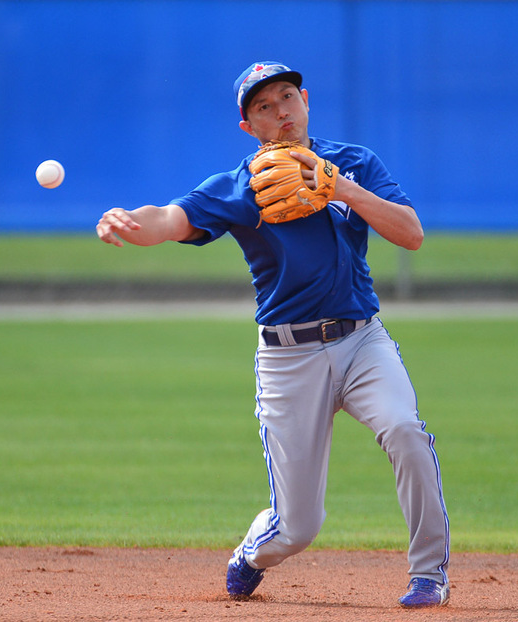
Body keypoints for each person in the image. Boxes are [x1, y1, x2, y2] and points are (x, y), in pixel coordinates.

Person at [96, 61, 450, 608]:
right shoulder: (240, 188)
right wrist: (129, 221)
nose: (280, 110)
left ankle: (429, 575)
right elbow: (170, 218)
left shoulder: (353, 163)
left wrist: (344, 190)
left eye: (287, 96)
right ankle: (251, 555)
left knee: (406, 429)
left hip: (362, 341)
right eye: (264, 106)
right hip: (290, 359)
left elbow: (412, 235)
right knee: (297, 528)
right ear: (248, 125)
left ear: (305, 99)